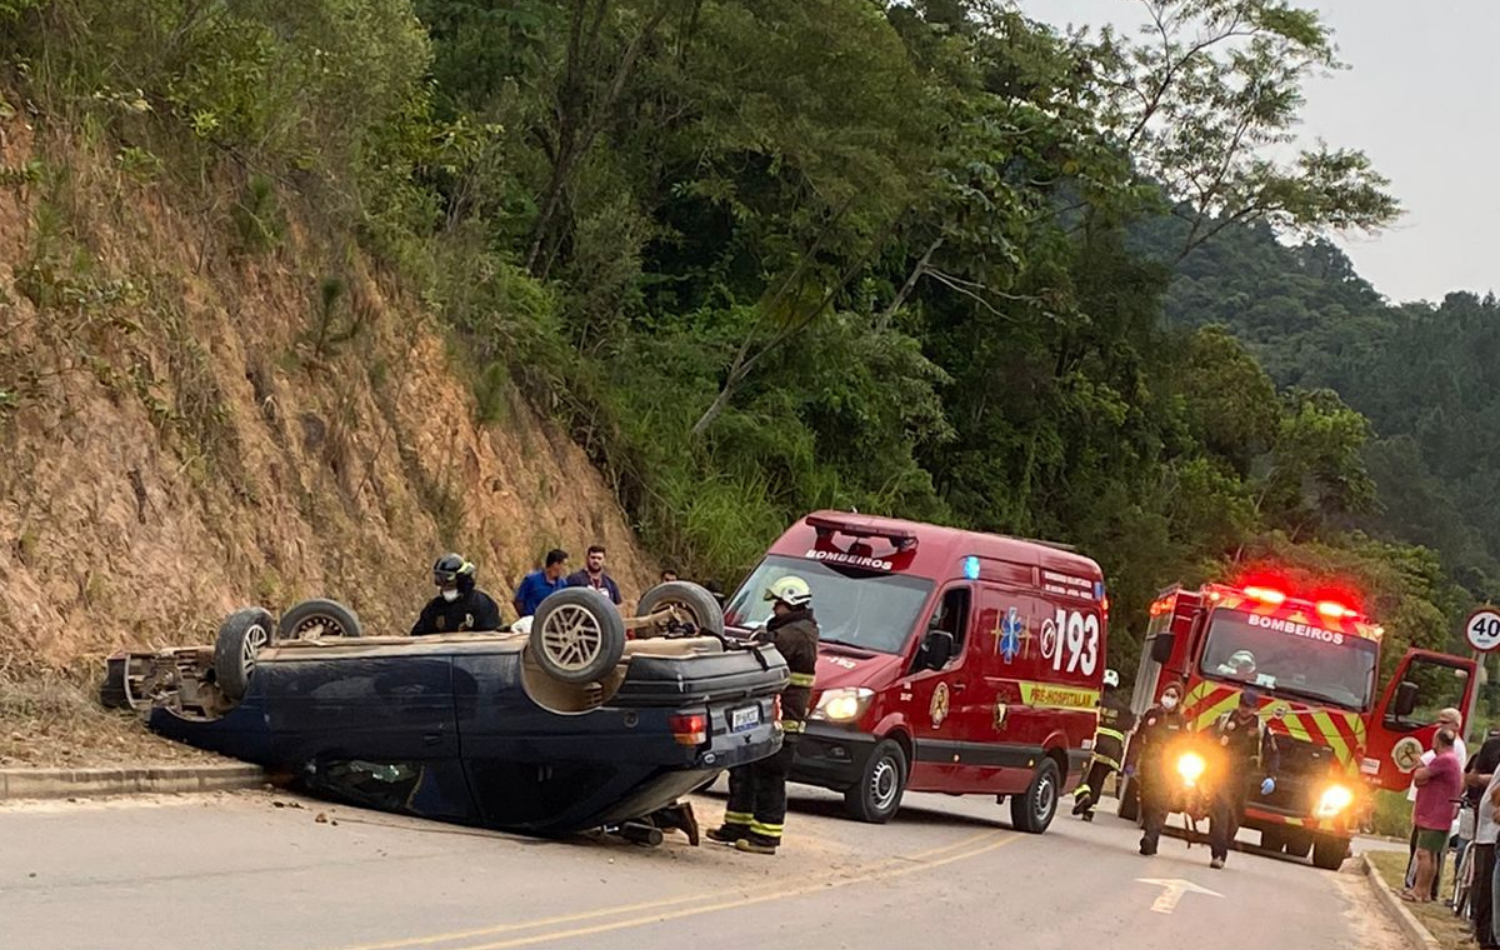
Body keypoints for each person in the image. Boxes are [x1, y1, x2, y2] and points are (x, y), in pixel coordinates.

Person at [707, 575, 819, 856]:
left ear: (791, 603)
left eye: (778, 604)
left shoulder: (798, 633)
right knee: (744, 769)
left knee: (770, 775)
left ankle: (765, 837)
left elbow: (769, 646)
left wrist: (756, 639)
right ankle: (737, 826)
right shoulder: (791, 628)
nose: (774, 610)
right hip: (766, 714)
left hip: (784, 718)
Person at [1205, 687, 1280, 870]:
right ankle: (1219, 853)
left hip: (1244, 775)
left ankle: (1222, 842)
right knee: (1221, 810)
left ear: (1255, 708)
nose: (1244, 709)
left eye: (1249, 706)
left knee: (1236, 814)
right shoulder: (1224, 720)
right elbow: (1205, 738)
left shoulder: (1261, 728)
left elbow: (1272, 753)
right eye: (1242, 705)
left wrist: (1272, 776)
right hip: (1221, 772)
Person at [1406, 708, 1468, 896]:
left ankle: (1420, 890)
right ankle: (1424, 892)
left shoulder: (1444, 759)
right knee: (1430, 853)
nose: (1439, 725)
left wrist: (1421, 772)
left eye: (1444, 722)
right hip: (1437, 812)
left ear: (1439, 741)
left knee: (1424, 853)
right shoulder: (1448, 759)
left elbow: (1419, 776)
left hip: (1434, 814)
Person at [1072, 669, 1135, 821]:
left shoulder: (1094, 701)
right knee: (1098, 780)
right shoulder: (1123, 708)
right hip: (1111, 752)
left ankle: (1083, 795)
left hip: (1093, 745)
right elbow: (1130, 725)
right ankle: (1089, 811)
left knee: (1081, 775)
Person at [1134, 680, 1188, 857]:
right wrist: (1130, 762)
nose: (1169, 699)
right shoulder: (1151, 715)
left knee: (1160, 803)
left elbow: (1185, 746)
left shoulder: (1180, 721)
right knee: (1148, 802)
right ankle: (1151, 838)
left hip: (1169, 769)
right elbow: (1138, 739)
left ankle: (1150, 836)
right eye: (1167, 694)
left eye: (1173, 696)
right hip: (1149, 765)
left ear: (1178, 700)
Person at [411, 553, 503, 635]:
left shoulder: (480, 604)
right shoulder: (435, 608)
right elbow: (417, 638)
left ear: (461, 580)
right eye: (439, 580)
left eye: (447, 581)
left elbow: (493, 638)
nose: (443, 587)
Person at [513, 549, 570, 617]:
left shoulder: (562, 584)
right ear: (555, 564)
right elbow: (519, 602)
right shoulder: (531, 580)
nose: (565, 568)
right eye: (564, 565)